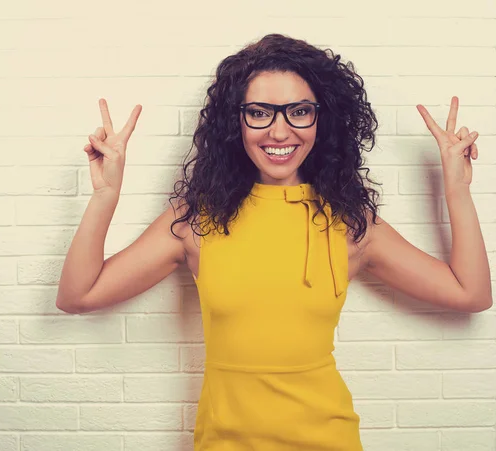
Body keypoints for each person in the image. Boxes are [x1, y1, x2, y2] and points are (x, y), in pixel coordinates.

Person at [55, 34, 492, 450]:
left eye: (299, 111)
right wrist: (105, 195)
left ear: (322, 119)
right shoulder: (195, 221)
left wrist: (456, 188)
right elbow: (79, 294)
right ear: (236, 122)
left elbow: (470, 293)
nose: (280, 132)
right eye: (260, 112)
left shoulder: (352, 224)